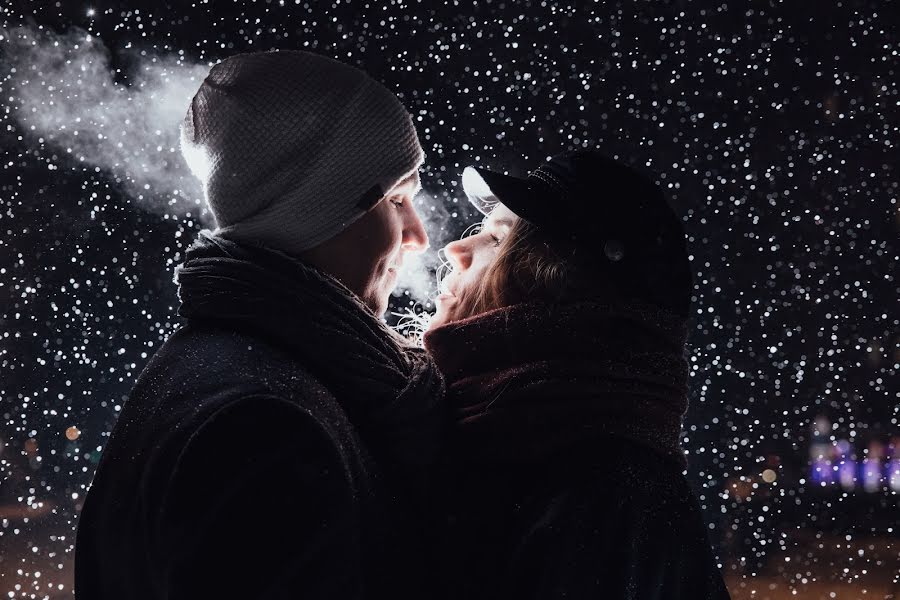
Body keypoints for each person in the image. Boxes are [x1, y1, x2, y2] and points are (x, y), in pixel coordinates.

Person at [74, 50, 445, 600]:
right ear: (317, 210)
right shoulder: (263, 425)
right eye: (396, 199)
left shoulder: (224, 373)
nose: (417, 236)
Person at [422, 149, 731, 599]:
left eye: (496, 239)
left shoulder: (607, 498)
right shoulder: (494, 446)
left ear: (554, 283)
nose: (455, 248)